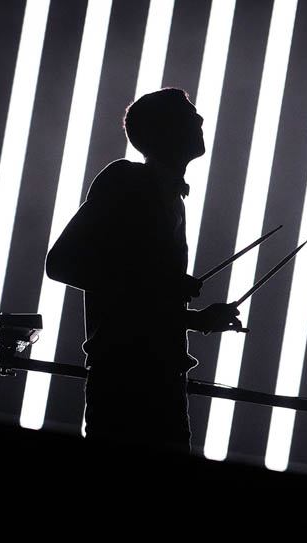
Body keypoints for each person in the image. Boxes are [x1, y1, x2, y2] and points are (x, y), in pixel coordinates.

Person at [45, 88, 245, 452]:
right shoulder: (126, 180)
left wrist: (195, 319)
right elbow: (60, 263)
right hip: (125, 383)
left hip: (163, 380)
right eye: (190, 114)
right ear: (164, 130)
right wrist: (160, 286)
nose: (200, 120)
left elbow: (136, 301)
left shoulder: (170, 198)